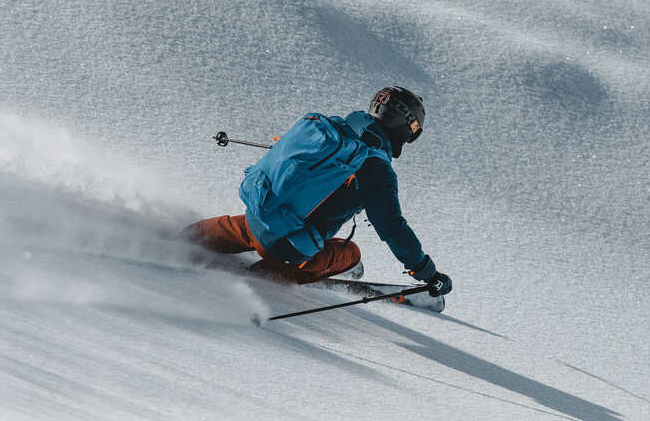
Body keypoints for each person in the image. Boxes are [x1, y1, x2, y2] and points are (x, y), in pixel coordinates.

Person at [189, 86, 453, 297]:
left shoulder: (334, 129)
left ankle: (182, 236)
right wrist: (427, 272)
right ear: (405, 130)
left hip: (257, 216)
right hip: (288, 250)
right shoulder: (378, 171)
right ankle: (264, 278)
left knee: (225, 232)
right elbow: (393, 228)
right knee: (351, 254)